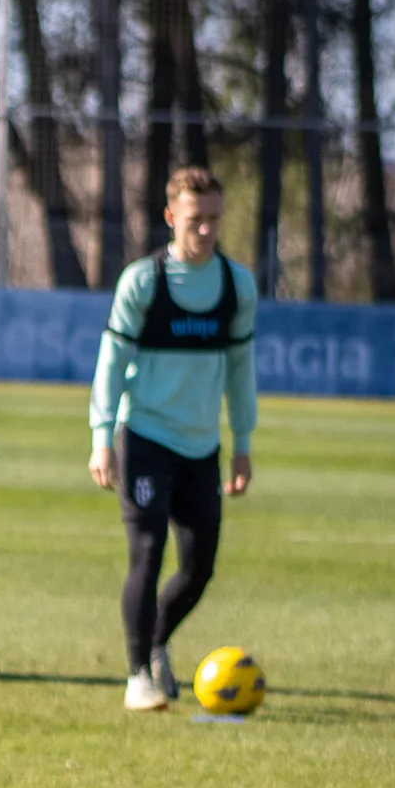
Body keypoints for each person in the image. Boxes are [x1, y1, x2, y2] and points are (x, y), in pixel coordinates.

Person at [87, 165, 258, 711]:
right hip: (145, 437)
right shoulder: (144, 281)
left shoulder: (237, 285)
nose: (205, 230)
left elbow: (240, 369)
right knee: (146, 548)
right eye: (194, 220)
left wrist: (243, 443)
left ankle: (157, 641)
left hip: (202, 447)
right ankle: (138, 672)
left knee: (199, 564)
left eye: (213, 219)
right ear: (170, 217)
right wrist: (100, 435)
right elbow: (112, 362)